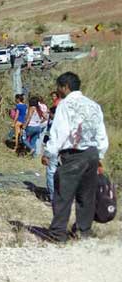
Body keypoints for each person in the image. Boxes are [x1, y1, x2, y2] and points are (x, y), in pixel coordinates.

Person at [42, 72, 109, 242]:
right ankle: (83, 231)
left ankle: (58, 233)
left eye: (59, 87)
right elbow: (101, 133)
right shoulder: (93, 105)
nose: (58, 91)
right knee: (86, 195)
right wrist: (99, 154)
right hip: (92, 153)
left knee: (63, 194)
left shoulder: (65, 105)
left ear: (65, 87)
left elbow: (61, 132)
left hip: (73, 154)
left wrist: (50, 152)